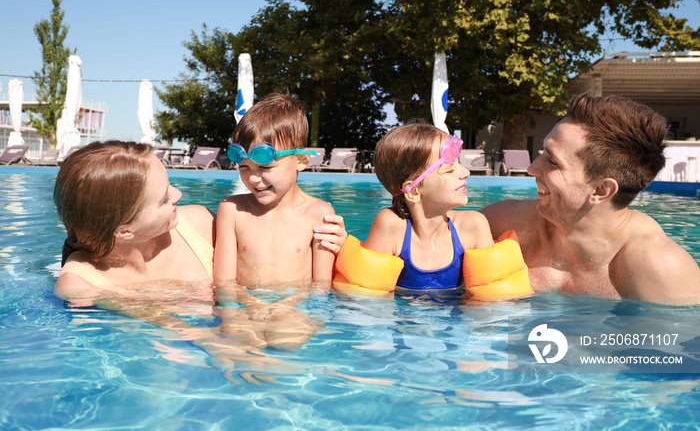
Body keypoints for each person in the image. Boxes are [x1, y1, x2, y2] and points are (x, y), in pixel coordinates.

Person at [53, 140, 277, 369]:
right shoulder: (80, 284)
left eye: (170, 185)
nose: (178, 194)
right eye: (164, 199)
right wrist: (212, 342)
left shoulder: (201, 225)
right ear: (125, 231)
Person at [482, 93, 700, 305]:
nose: (532, 169)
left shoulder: (660, 270)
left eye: (554, 162)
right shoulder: (502, 224)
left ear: (601, 190)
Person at [213, 92, 336, 348]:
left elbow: (321, 285)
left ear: (301, 161)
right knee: (238, 339)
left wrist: (285, 306)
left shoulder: (319, 212)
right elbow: (223, 282)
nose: (254, 179)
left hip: (295, 306)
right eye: (244, 168)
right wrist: (248, 305)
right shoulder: (232, 210)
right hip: (245, 305)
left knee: (286, 341)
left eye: (265, 168)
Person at [361, 124, 495, 292]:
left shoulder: (472, 226)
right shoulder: (392, 226)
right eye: (449, 170)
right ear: (414, 191)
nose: (466, 172)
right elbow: (369, 300)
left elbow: (488, 301)